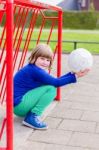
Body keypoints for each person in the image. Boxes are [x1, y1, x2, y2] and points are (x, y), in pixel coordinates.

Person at [13, 43, 90, 130]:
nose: (45, 62)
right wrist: (76, 76)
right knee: (51, 89)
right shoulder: (35, 71)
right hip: (19, 105)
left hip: (17, 105)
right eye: (42, 58)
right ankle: (32, 116)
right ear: (34, 57)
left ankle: (31, 115)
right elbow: (56, 82)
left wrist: (72, 74)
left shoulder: (33, 68)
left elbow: (55, 80)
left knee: (49, 85)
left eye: (48, 60)